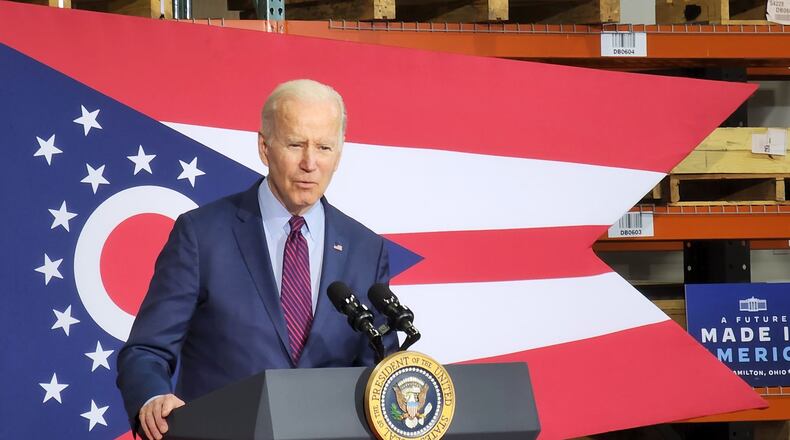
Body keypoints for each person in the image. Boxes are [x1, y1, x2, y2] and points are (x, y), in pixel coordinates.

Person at [116, 79, 397, 440]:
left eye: (324, 147)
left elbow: (379, 367)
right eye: (296, 144)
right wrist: (153, 397)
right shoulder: (201, 235)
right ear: (264, 147)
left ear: (339, 155)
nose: (310, 163)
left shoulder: (365, 249)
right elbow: (146, 350)